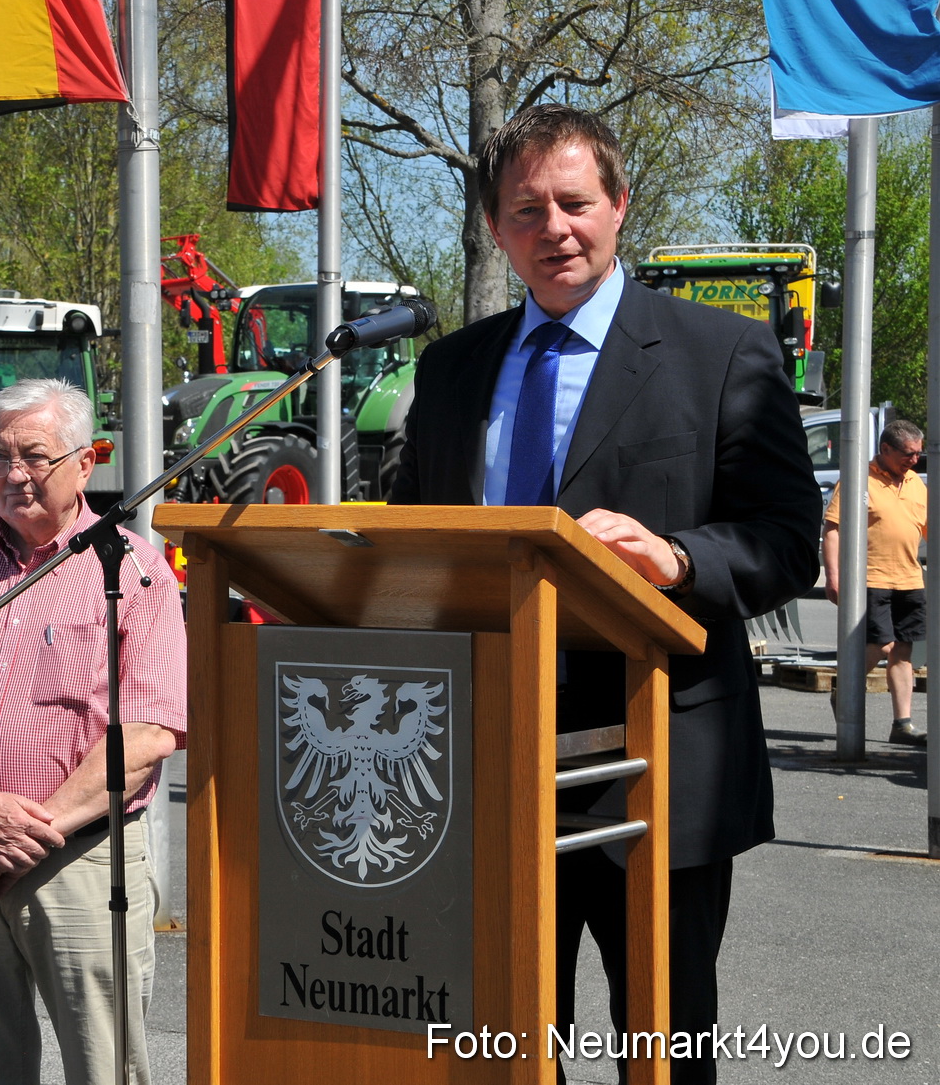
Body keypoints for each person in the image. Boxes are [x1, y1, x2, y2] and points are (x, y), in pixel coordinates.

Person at [390, 105, 821, 1084]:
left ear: (619, 204)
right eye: (526, 211)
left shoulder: (721, 355)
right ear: (497, 227)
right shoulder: (453, 370)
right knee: (503, 1047)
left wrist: (673, 557)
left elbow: (787, 542)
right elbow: (418, 542)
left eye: (574, 204)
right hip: (490, 769)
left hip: (658, 764)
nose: (554, 230)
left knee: (660, 1052)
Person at [0, 377, 186, 1085]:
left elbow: (144, 735)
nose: (13, 473)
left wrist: (19, 839)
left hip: (83, 860)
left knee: (104, 1066)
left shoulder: (135, 572)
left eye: (33, 455)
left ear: (86, 462)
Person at [823, 419, 928, 746]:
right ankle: (846, 692)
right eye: (908, 454)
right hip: (871, 577)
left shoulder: (915, 484)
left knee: (903, 650)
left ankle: (903, 724)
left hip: (910, 578)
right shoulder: (858, 478)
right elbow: (832, 528)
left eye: (918, 454)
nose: (914, 460)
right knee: (879, 644)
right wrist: (833, 575)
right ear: (885, 449)